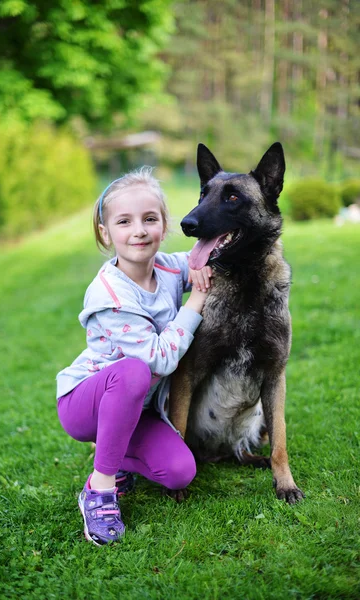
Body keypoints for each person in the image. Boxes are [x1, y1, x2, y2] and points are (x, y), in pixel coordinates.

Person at [56, 167, 212, 545]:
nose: (139, 230)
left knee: (179, 471)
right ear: (106, 233)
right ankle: (100, 488)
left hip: (137, 410)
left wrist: (203, 262)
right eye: (124, 222)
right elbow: (159, 361)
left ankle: (115, 454)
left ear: (164, 224)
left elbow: (192, 263)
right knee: (134, 372)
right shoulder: (111, 296)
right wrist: (196, 300)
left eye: (149, 219)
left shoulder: (167, 267)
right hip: (84, 404)